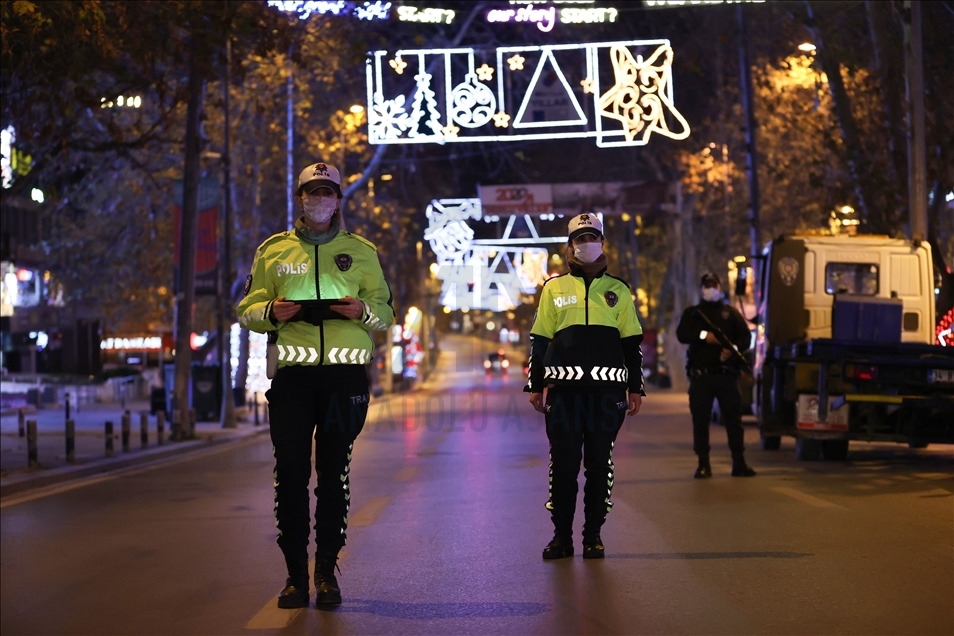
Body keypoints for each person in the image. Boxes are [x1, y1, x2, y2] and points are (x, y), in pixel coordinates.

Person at [237, 162, 394, 608]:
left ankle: (326, 572)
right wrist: (270, 311)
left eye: (327, 191)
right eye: (311, 191)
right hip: (293, 380)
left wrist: (361, 310)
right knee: (289, 472)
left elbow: (386, 314)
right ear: (299, 197)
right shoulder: (273, 251)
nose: (319, 199)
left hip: (344, 380)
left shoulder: (361, 251)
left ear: (339, 199)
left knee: (333, 475)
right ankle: (293, 578)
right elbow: (246, 309)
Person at [525, 213, 645, 560]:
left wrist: (635, 388)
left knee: (598, 464)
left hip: (607, 397)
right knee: (562, 466)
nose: (586, 244)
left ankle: (593, 535)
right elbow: (539, 340)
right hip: (563, 396)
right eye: (580, 239)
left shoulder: (618, 290)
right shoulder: (554, 287)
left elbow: (631, 342)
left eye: (592, 237)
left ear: (602, 243)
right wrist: (535, 385)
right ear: (569, 246)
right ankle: (561, 536)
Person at [675, 272, 756, 479]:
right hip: (702, 377)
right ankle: (703, 464)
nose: (711, 288)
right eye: (707, 285)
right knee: (701, 421)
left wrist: (733, 349)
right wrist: (704, 336)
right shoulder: (693, 313)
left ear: (720, 287)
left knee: (734, 421)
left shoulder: (731, 314)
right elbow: (682, 334)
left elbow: (746, 337)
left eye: (714, 284)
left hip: (726, 376)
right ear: (702, 289)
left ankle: (739, 463)